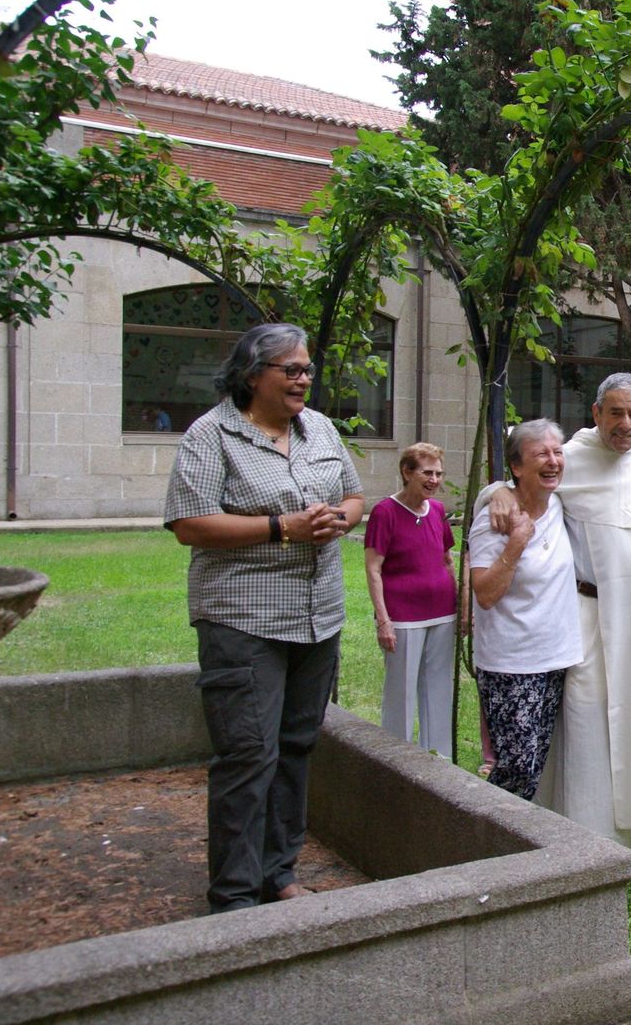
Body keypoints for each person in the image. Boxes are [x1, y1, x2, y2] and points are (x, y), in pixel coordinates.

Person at [163, 323, 363, 913]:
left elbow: (354, 495)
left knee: (297, 745)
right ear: (254, 375)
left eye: (307, 370)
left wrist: (341, 520)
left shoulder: (320, 429)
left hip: (316, 617)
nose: (305, 379)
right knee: (249, 753)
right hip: (243, 619)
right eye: (292, 370)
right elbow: (189, 524)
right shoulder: (212, 435)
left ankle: (278, 871)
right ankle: (234, 893)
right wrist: (283, 528)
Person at [484, 373, 631, 877]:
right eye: (615, 412)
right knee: (588, 722)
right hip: (587, 617)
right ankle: (586, 840)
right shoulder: (571, 458)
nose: (626, 424)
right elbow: (525, 483)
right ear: (596, 413)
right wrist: (497, 493)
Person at [467, 419, 581, 800]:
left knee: (535, 765)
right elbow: (483, 594)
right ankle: (490, 841)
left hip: (554, 659)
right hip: (510, 664)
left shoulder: (561, 503)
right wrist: (515, 543)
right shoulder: (495, 520)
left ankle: (513, 843)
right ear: (517, 466)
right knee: (515, 767)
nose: (553, 461)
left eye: (557, 452)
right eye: (540, 454)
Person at [363, 442, 456, 754]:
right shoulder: (384, 512)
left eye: (439, 474)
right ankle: (397, 759)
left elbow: (446, 559)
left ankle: (438, 760)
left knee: (439, 689)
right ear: (407, 472)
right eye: (427, 473)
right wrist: (383, 620)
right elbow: (373, 569)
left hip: (443, 613)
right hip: (403, 616)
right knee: (400, 693)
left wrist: (461, 604)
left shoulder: (439, 511)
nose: (434, 480)